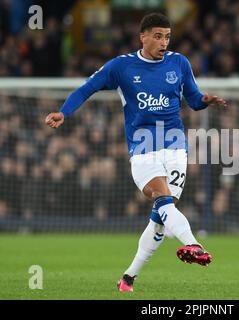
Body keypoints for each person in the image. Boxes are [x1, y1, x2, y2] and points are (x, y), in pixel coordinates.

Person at [45, 13, 227, 292]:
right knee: (164, 202)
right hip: (143, 148)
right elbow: (86, 89)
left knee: (161, 216)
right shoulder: (121, 67)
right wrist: (63, 112)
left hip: (176, 146)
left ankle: (128, 278)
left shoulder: (179, 63)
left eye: (167, 36)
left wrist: (204, 100)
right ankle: (193, 244)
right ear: (142, 36)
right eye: (157, 36)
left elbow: (192, 98)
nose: (163, 42)